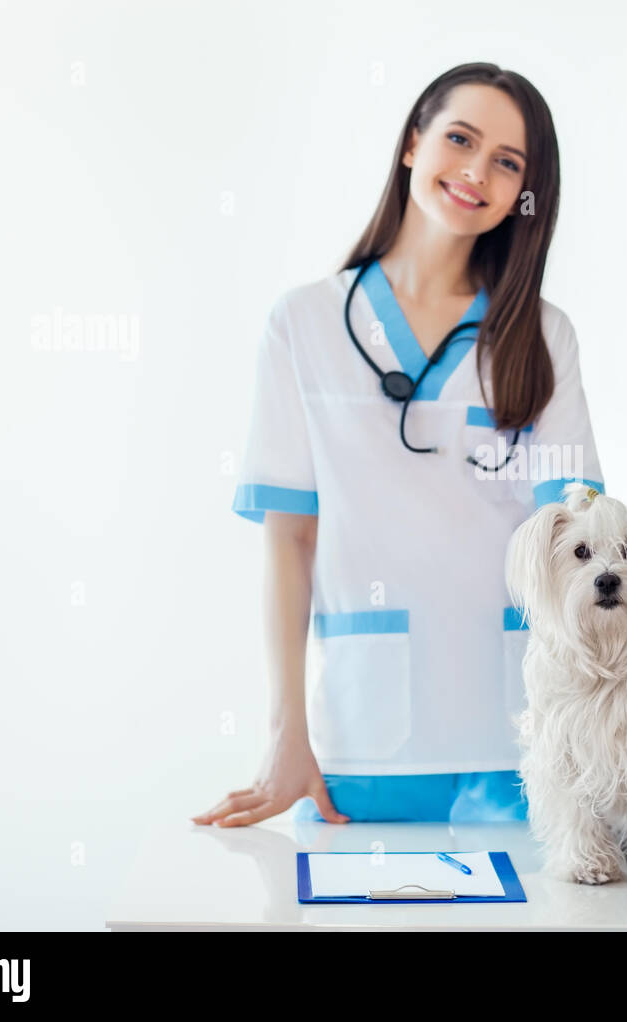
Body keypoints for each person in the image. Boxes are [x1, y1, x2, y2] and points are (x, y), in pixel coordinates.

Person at [191, 62, 605, 828]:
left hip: (524, 744)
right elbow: (290, 539)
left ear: (525, 193)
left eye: (508, 163)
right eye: (460, 139)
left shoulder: (543, 336)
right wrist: (287, 734)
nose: (477, 172)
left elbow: (577, 533)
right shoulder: (304, 324)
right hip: (364, 742)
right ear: (413, 143)